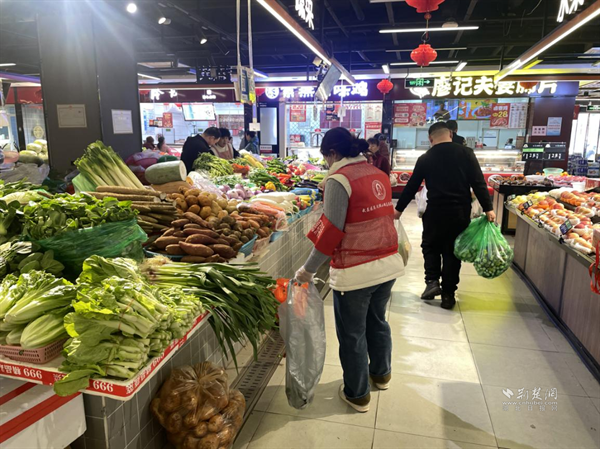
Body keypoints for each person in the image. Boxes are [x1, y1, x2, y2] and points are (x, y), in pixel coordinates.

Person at [295, 127, 404, 413]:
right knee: (377, 322)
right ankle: (381, 375)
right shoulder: (378, 173)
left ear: (332, 153)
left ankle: (358, 394)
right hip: (388, 264)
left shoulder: (339, 180)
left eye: (325, 157)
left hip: (355, 272)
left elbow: (331, 232)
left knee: (352, 334)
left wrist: (307, 271)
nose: (326, 163)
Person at [394, 122, 495, 310]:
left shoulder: (425, 158)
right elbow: (478, 182)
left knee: (430, 246)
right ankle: (448, 294)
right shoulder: (466, 153)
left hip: (435, 211)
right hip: (459, 212)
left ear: (430, 138)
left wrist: (398, 210)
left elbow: (411, 186)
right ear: (450, 134)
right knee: (453, 251)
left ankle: (432, 281)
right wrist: (488, 208)